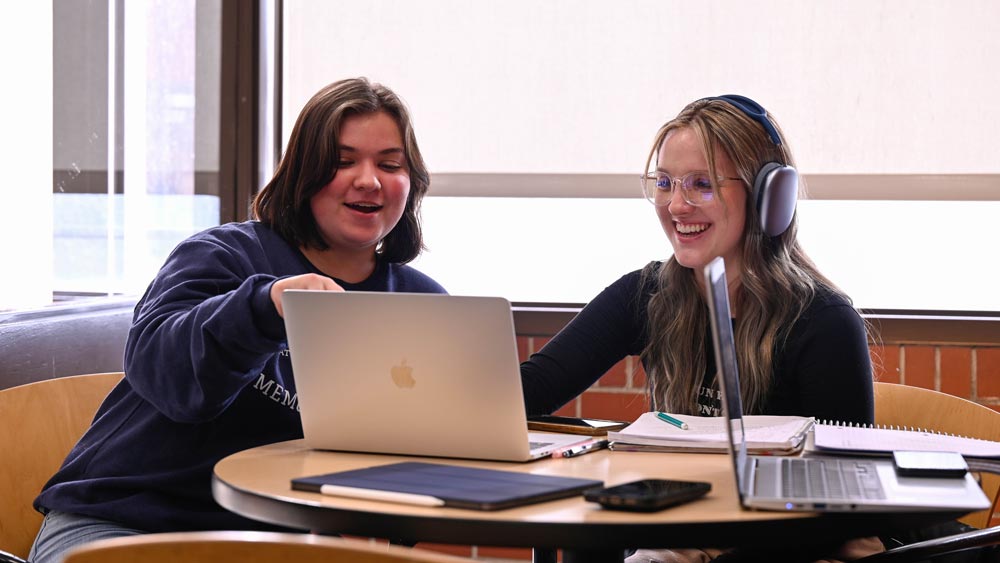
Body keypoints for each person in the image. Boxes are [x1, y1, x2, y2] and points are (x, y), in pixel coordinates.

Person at [28, 77, 446, 563]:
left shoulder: (420, 303)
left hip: (276, 542)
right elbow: (166, 376)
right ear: (303, 173)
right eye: (342, 161)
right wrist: (265, 306)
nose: (369, 180)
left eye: (389, 164)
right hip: (123, 521)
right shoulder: (223, 256)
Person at [519, 95, 880, 562]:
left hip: (797, 542)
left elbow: (846, 505)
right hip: (688, 531)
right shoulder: (647, 293)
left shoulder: (824, 323)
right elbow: (531, 390)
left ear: (769, 196)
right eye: (665, 183)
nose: (676, 205)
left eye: (701, 185)